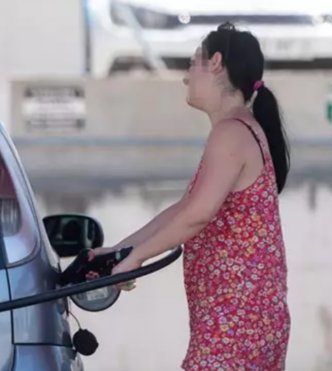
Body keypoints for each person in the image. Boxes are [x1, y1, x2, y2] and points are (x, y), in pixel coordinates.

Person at [91, 22, 291, 370]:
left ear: (215, 63)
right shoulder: (239, 130)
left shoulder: (231, 133)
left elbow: (198, 214)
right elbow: (183, 209)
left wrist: (134, 260)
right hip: (246, 321)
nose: (186, 78)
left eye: (190, 64)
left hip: (235, 325)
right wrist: (119, 252)